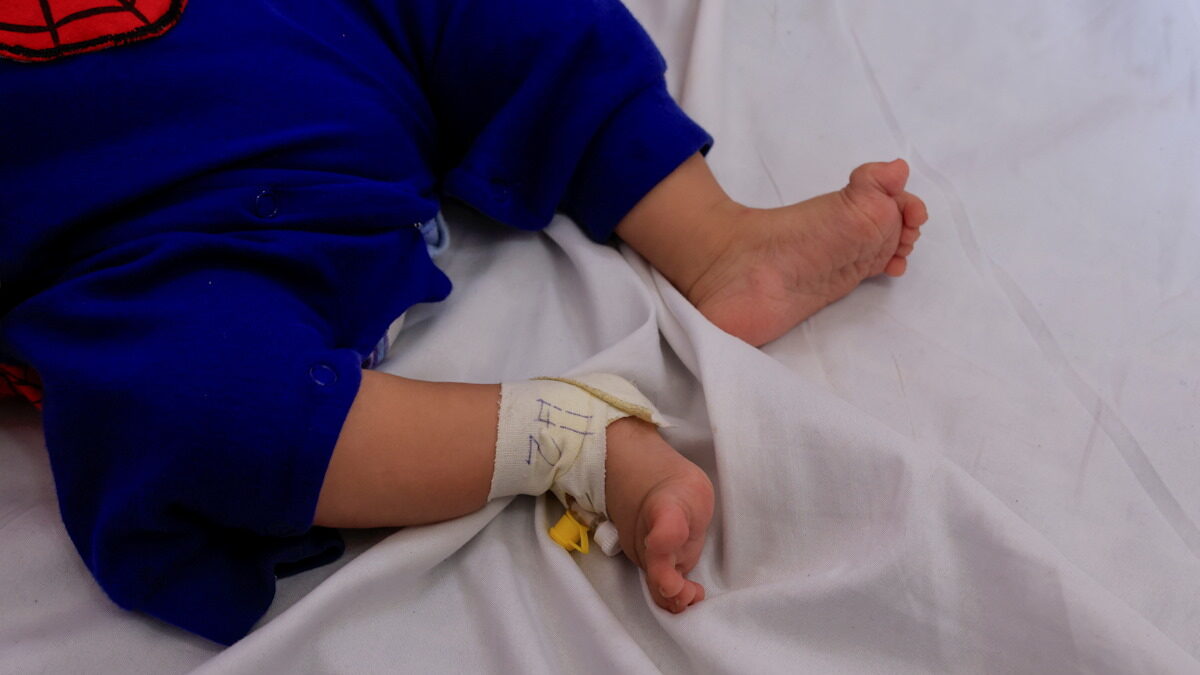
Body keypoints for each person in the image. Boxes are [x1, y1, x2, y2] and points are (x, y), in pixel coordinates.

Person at [0, 0, 927, 644]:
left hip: (349, 44)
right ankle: (565, 437)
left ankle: (716, 239)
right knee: (179, 408)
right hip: (155, 255)